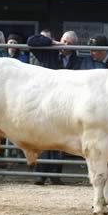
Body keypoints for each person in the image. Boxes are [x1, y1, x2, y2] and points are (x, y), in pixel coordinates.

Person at [28, 30, 80, 185]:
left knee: (60, 140)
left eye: (69, 44)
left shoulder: (78, 61)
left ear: (75, 46)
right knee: (43, 138)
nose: (65, 46)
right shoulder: (50, 53)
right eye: (64, 41)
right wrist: (53, 43)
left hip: (65, 103)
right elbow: (31, 41)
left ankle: (56, 174)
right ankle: (41, 174)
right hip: (45, 101)